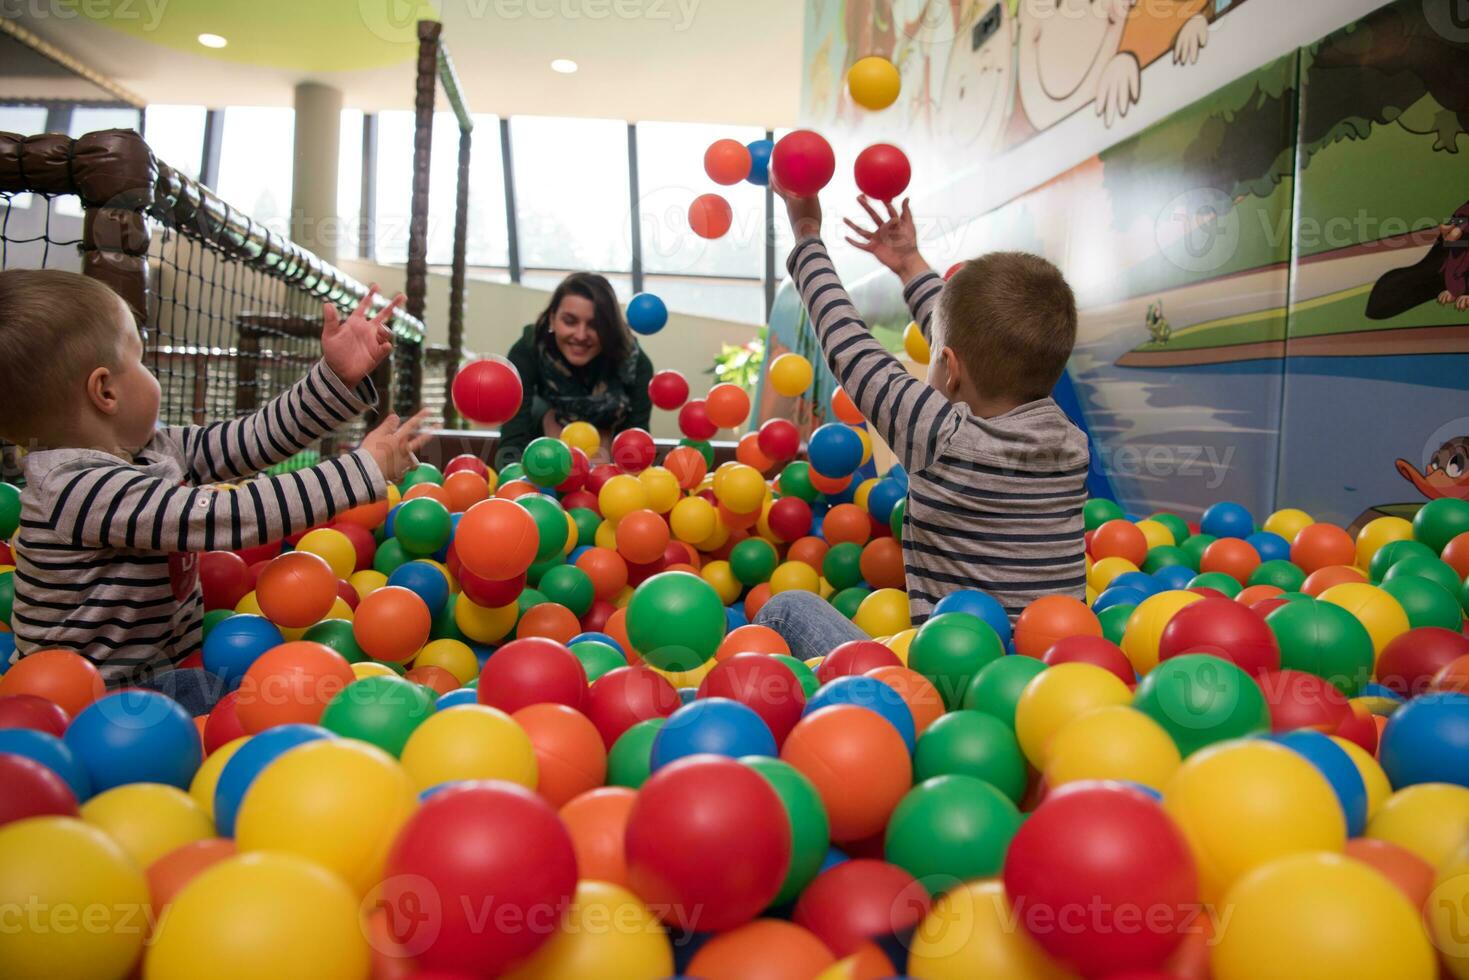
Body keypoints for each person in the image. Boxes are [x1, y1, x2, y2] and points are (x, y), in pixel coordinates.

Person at [0, 270, 431, 711]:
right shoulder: (78, 489)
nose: (151, 374)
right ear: (105, 390)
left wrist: (334, 379)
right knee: (255, 700)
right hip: (92, 699)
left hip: (163, 661)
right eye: (142, 360)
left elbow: (251, 439)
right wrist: (360, 471)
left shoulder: (150, 449)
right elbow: (223, 515)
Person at [756, 191, 1089, 664]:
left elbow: (845, 341)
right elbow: (976, 340)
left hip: (943, 679)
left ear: (949, 369)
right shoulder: (1069, 441)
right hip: (1053, 673)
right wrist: (910, 264)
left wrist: (806, 231)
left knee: (786, 608)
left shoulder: (939, 434)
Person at [495, 272, 654, 468]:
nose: (580, 335)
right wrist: (512, 483)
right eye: (570, 321)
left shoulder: (636, 363)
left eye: (595, 325)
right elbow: (513, 434)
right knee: (540, 409)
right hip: (542, 457)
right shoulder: (529, 349)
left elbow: (638, 442)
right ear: (553, 319)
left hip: (609, 462)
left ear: (609, 328)